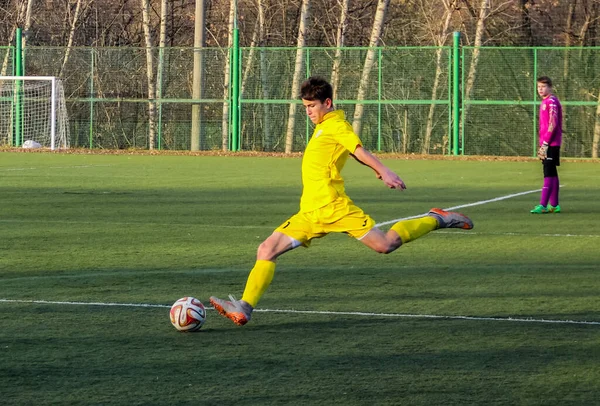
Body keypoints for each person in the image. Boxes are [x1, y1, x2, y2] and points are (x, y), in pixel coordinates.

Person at [210, 76, 474, 326]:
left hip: (334, 207)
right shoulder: (324, 127)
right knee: (266, 250)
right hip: (310, 212)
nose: (308, 112)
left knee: (385, 245)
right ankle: (245, 307)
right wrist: (375, 170)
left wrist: (383, 170)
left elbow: (357, 149)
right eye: (305, 107)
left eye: (312, 106)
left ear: (327, 102)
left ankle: (436, 219)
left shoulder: (337, 125)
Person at [531, 76, 563, 214]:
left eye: (543, 87)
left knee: (548, 173)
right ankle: (554, 205)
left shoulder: (552, 101)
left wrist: (545, 144)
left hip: (551, 143)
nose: (540, 89)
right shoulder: (545, 101)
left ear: (550, 87)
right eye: (538, 87)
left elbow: (553, 123)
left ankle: (543, 205)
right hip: (548, 143)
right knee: (552, 173)